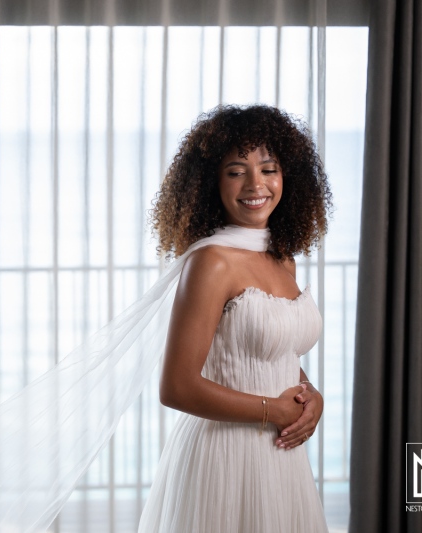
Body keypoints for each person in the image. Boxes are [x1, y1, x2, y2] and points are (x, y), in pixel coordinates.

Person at [137, 104, 331, 532]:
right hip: (224, 458)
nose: (255, 184)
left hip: (281, 457)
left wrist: (311, 396)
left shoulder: (282, 259)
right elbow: (176, 387)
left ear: (288, 176)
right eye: (236, 171)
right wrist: (273, 411)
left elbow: (276, 350)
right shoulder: (212, 262)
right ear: (212, 181)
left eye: (268, 169)